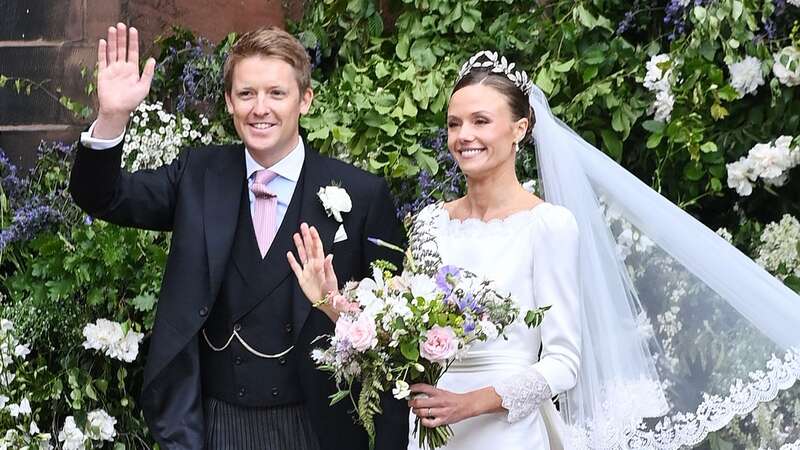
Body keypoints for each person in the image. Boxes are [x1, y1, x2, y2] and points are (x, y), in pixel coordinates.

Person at [294, 50, 800, 450]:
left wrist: (470, 404)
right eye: (454, 124)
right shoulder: (430, 223)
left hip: (505, 433)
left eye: (480, 121)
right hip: (432, 434)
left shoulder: (548, 226)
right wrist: (332, 302)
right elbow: (399, 330)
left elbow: (563, 362)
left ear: (520, 128)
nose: (463, 136)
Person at [69, 23, 409, 450]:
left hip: (318, 428)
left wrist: (337, 306)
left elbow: (392, 334)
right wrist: (113, 116)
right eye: (246, 94)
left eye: (276, 93)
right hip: (217, 425)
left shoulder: (361, 195)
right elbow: (103, 196)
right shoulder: (198, 175)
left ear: (305, 100)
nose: (259, 108)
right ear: (229, 102)